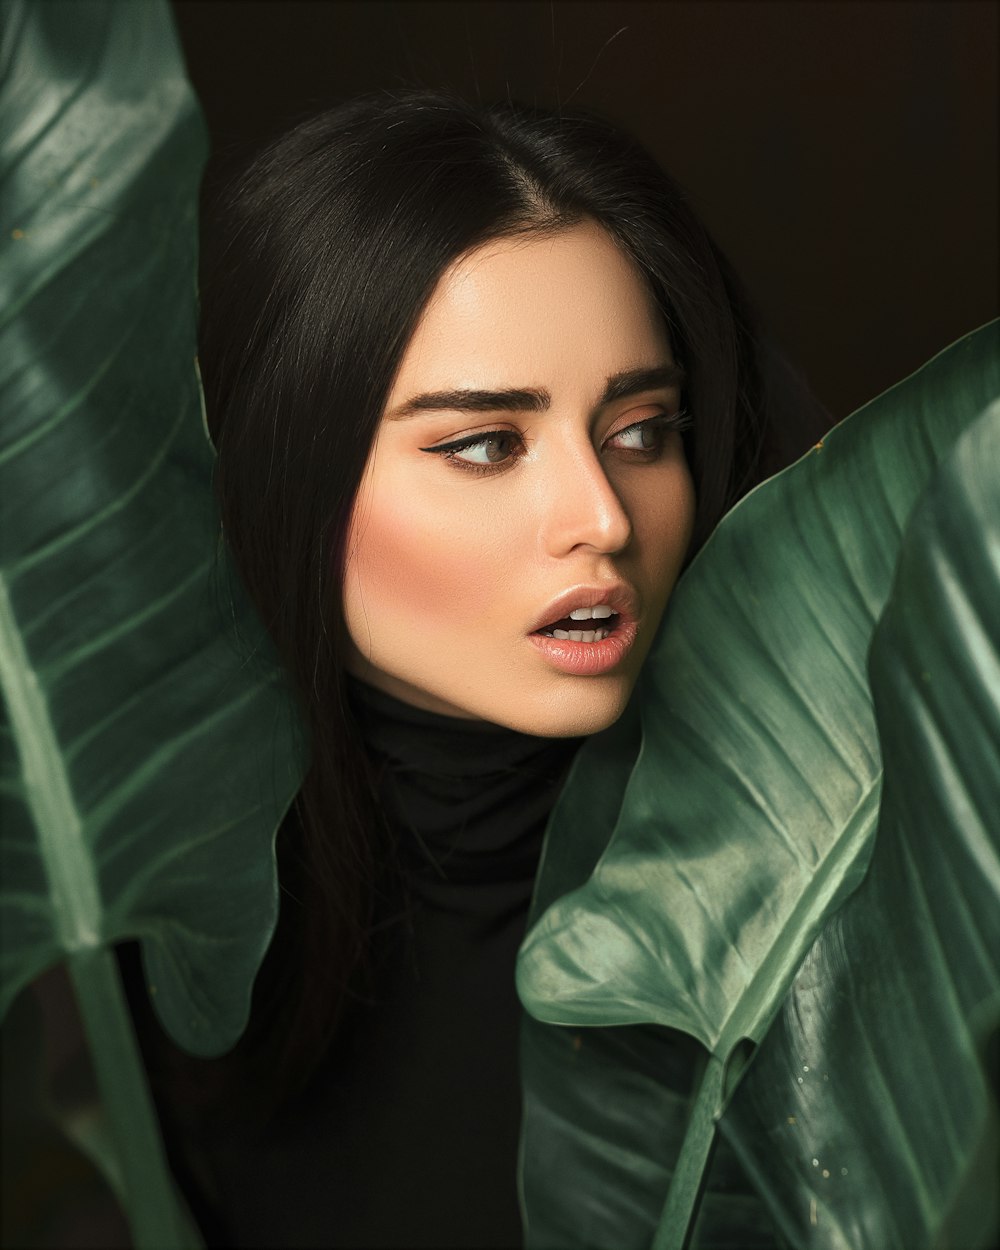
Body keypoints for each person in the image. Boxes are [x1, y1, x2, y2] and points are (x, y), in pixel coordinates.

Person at [129, 87, 829, 1248]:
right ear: (277, 469)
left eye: (641, 430)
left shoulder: (833, 893)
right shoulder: (140, 940)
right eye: (486, 444)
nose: (601, 515)